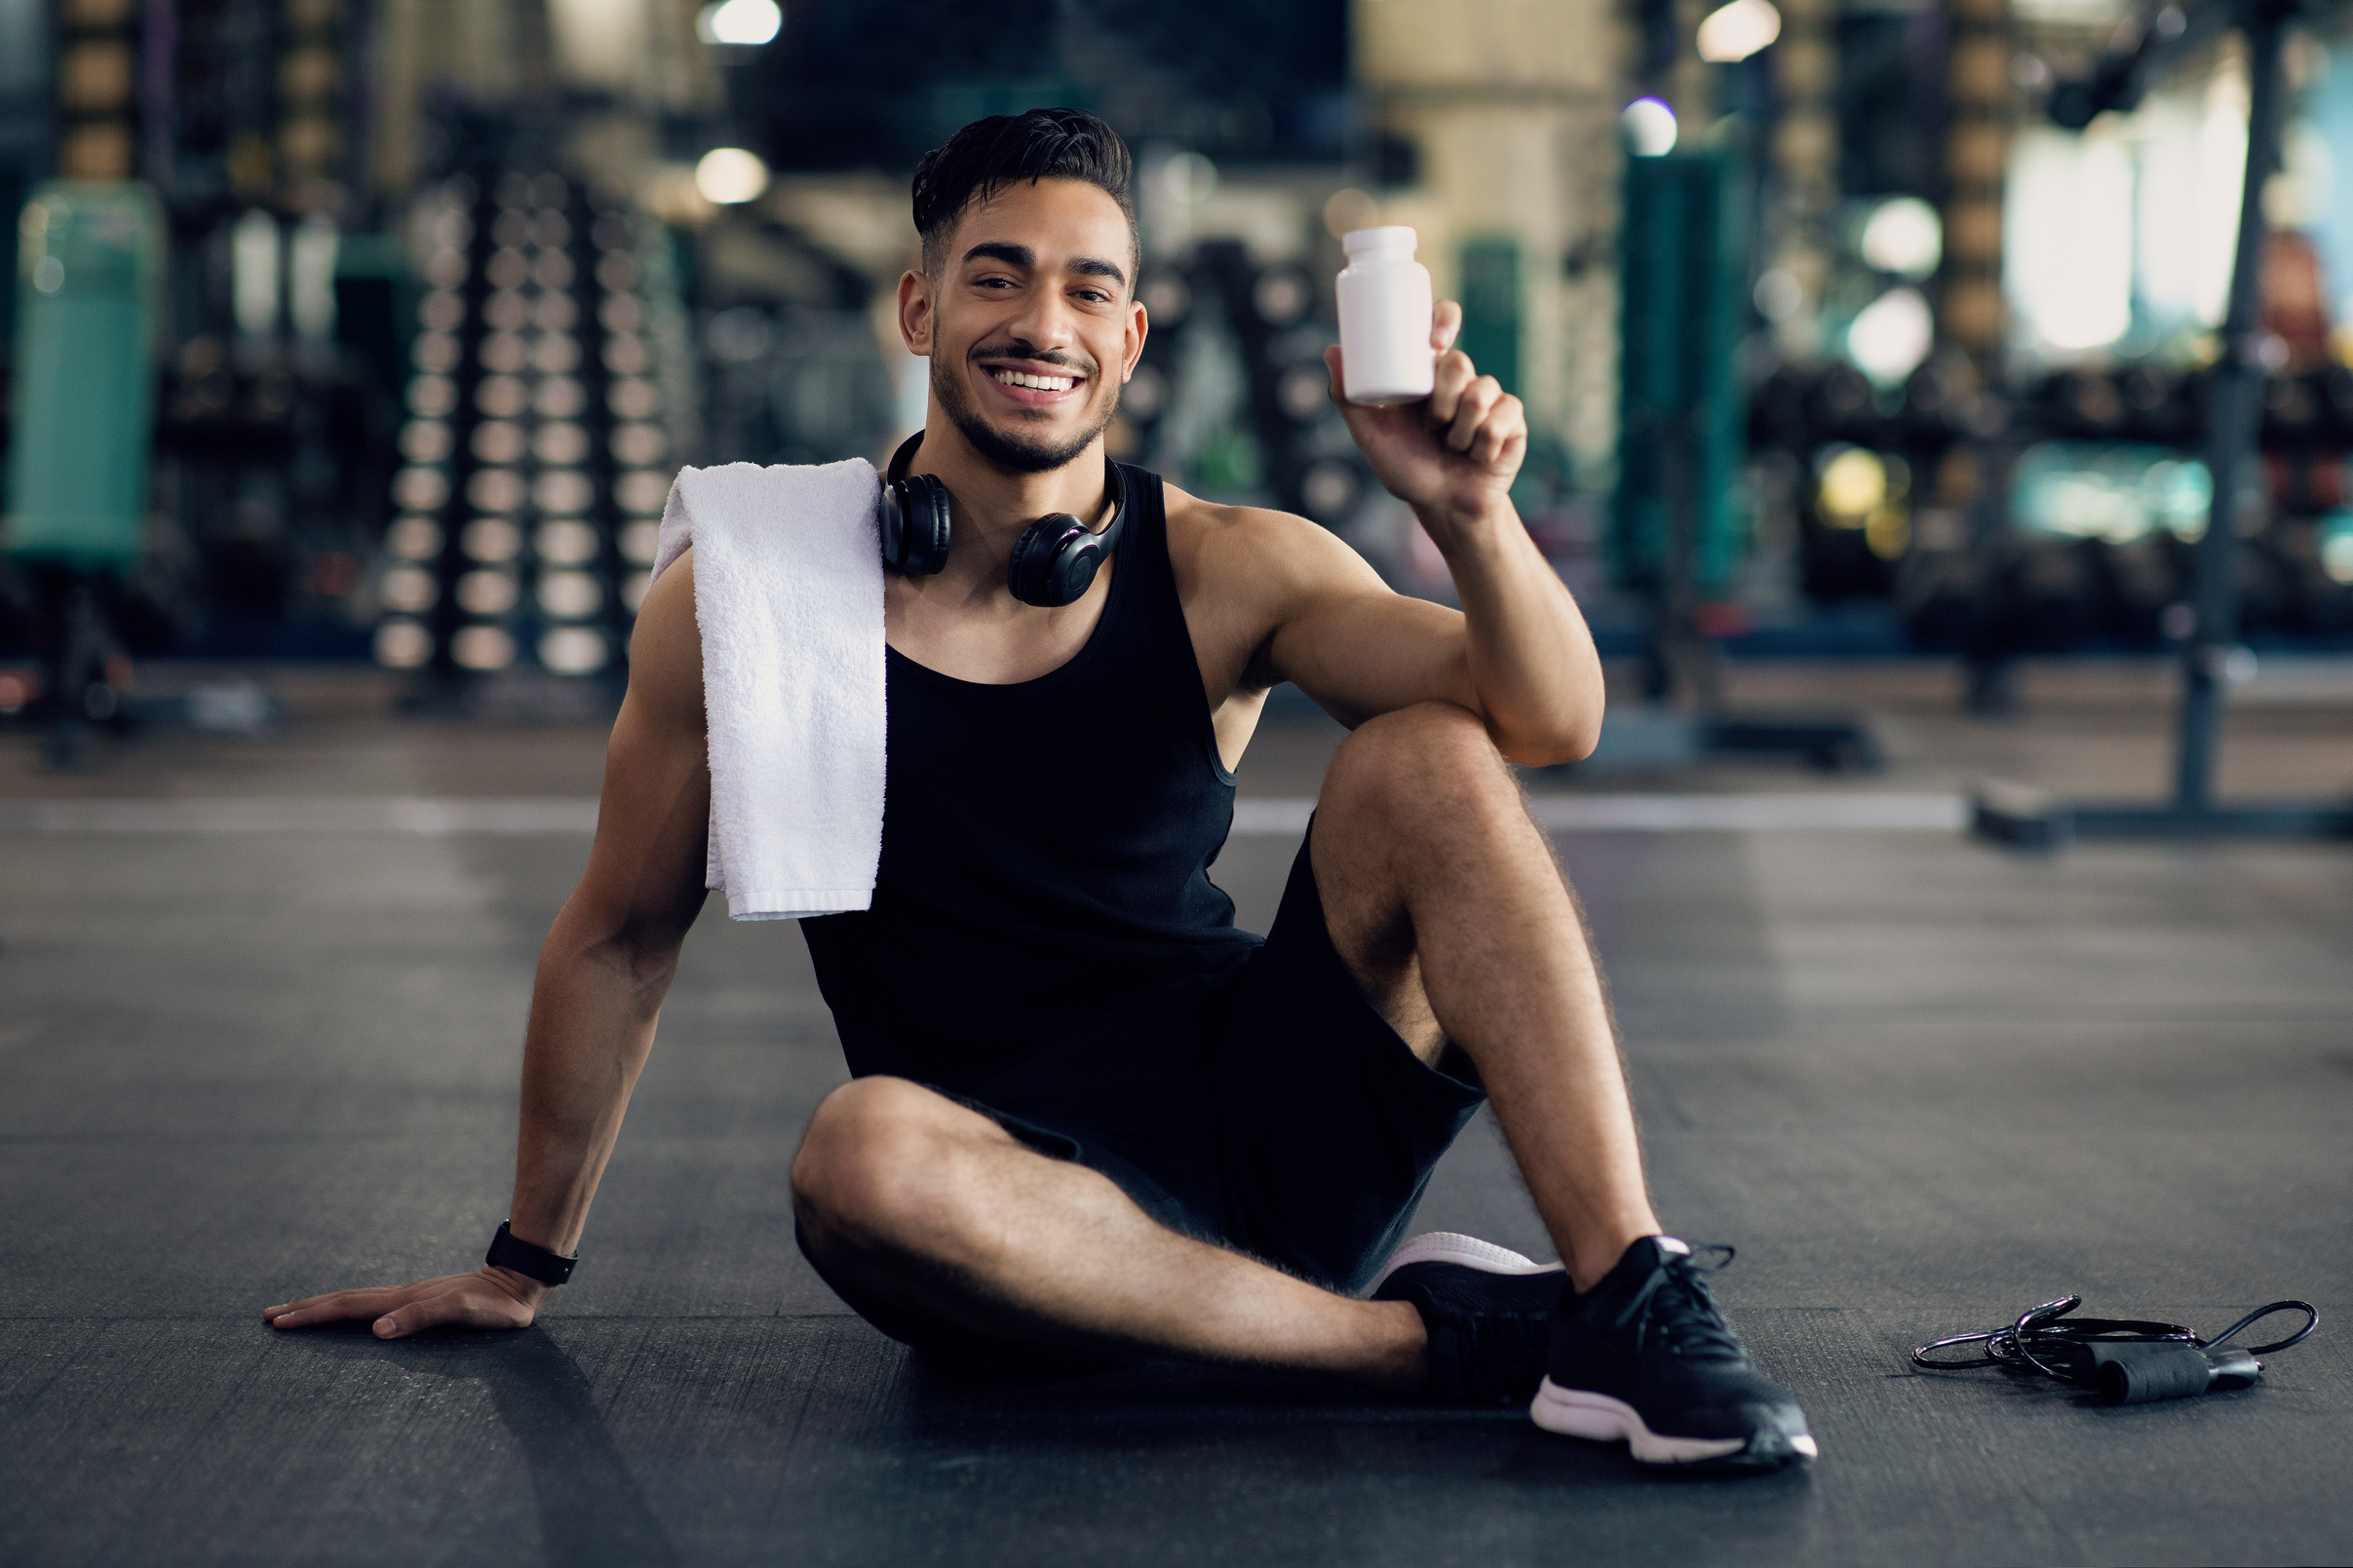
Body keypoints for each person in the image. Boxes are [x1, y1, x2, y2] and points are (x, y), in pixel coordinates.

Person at [264, 108, 1814, 1472]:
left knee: (1427, 747)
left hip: (1276, 1132)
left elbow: (1549, 721)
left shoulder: (1226, 565)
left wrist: (1470, 515)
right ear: (920, 306)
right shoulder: (748, 599)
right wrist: (521, 1260)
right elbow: (617, 932)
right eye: (997, 274)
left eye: (1088, 287)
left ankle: (1621, 1294)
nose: (1041, 319)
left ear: (1129, 341)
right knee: (854, 1150)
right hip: (993, 1210)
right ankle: (1441, 1347)